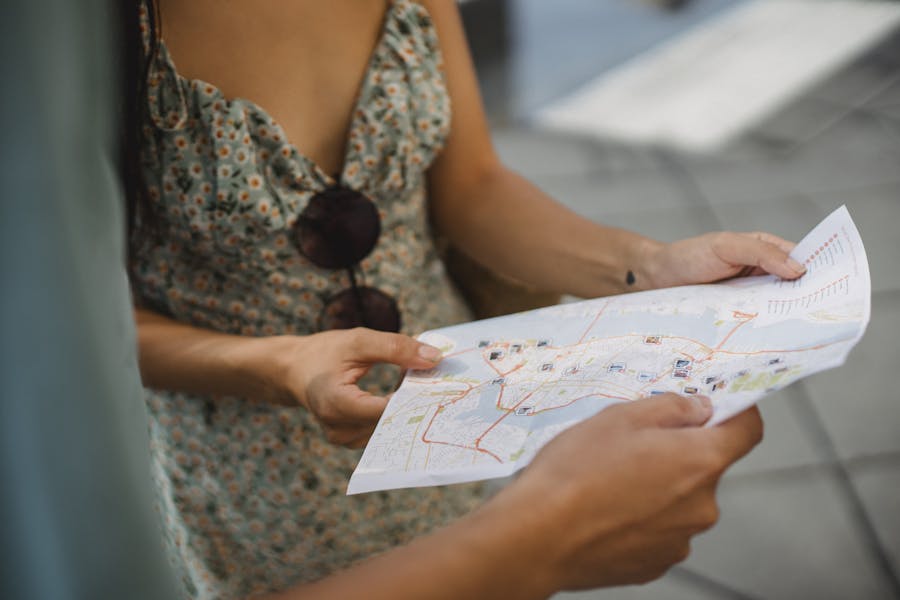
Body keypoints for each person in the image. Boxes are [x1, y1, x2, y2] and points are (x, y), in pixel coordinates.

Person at [124, 1, 804, 596]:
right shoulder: (83, 29)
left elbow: (473, 185)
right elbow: (72, 327)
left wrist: (649, 264)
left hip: (446, 401)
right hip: (251, 462)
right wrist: (280, 369)